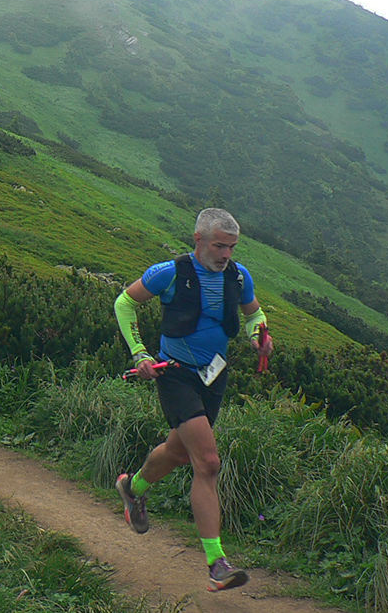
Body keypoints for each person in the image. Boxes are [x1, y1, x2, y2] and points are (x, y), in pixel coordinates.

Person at [112, 207, 275, 592]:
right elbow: (124, 303)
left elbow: (254, 314)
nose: (226, 255)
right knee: (208, 462)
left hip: (214, 375)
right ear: (198, 239)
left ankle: (132, 488)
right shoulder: (169, 272)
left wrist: (259, 336)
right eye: (219, 246)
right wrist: (139, 353)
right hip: (175, 375)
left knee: (178, 452)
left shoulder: (238, 276)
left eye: (232, 247)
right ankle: (217, 563)